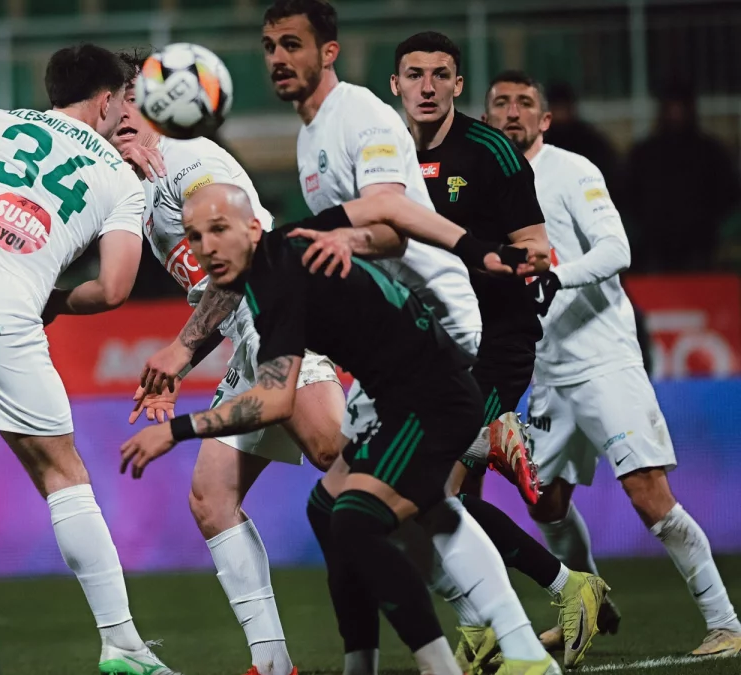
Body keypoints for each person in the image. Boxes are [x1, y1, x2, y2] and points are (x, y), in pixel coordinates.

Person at [120, 182, 562, 675]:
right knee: (327, 508)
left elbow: (274, 400)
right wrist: (479, 250)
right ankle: (362, 665)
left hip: (430, 401)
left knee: (356, 520)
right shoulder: (285, 252)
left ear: (253, 228)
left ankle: (453, 665)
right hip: (395, 399)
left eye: (219, 229)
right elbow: (385, 207)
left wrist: (176, 431)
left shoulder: (277, 279)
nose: (207, 247)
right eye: (195, 236)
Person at [258, 3, 553, 673]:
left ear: (328, 52)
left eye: (293, 43)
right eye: (270, 45)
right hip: (397, 337)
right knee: (358, 506)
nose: (278, 57)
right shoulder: (312, 135)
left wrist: (345, 237)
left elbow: (390, 226)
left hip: (437, 329)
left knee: (363, 507)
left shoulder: (360, 116)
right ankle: (516, 631)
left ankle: (515, 645)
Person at [486, 70, 741, 660]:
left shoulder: (573, 171)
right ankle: (590, 602)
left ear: (545, 119)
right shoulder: (487, 186)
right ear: (486, 116)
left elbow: (617, 249)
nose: (513, 111)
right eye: (501, 102)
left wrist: (557, 276)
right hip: (547, 370)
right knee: (544, 503)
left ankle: (725, 623)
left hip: (603, 361)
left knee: (648, 493)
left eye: (524, 102)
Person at [113, 54, 344, 675]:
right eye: (116, 101)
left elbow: (248, 264)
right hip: (249, 342)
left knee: (348, 466)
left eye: (135, 98)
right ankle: (272, 663)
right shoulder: (139, 185)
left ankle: (503, 594)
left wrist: (181, 351)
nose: (123, 112)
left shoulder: (192, 161)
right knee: (211, 498)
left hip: (284, 322)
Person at [389, 34, 606, 670]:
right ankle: (504, 612)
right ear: (395, 85)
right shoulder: (388, 154)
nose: (427, 86)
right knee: (428, 501)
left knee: (431, 493)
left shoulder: (490, 151)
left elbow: (536, 247)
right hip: (429, 348)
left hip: (496, 343)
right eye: (414, 75)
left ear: (458, 86)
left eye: (440, 75)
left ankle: (554, 593)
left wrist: (493, 259)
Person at [622, 83, 741, 272]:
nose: (676, 115)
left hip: (701, 249)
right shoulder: (644, 154)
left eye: (680, 108)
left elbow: (729, 196)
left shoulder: (711, 153)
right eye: (671, 108)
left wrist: (714, 231)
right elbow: (626, 196)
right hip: (653, 251)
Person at [542, 81, 618, 192]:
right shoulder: (539, 143)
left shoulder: (592, 143)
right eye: (556, 108)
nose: (560, 115)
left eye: (562, 108)